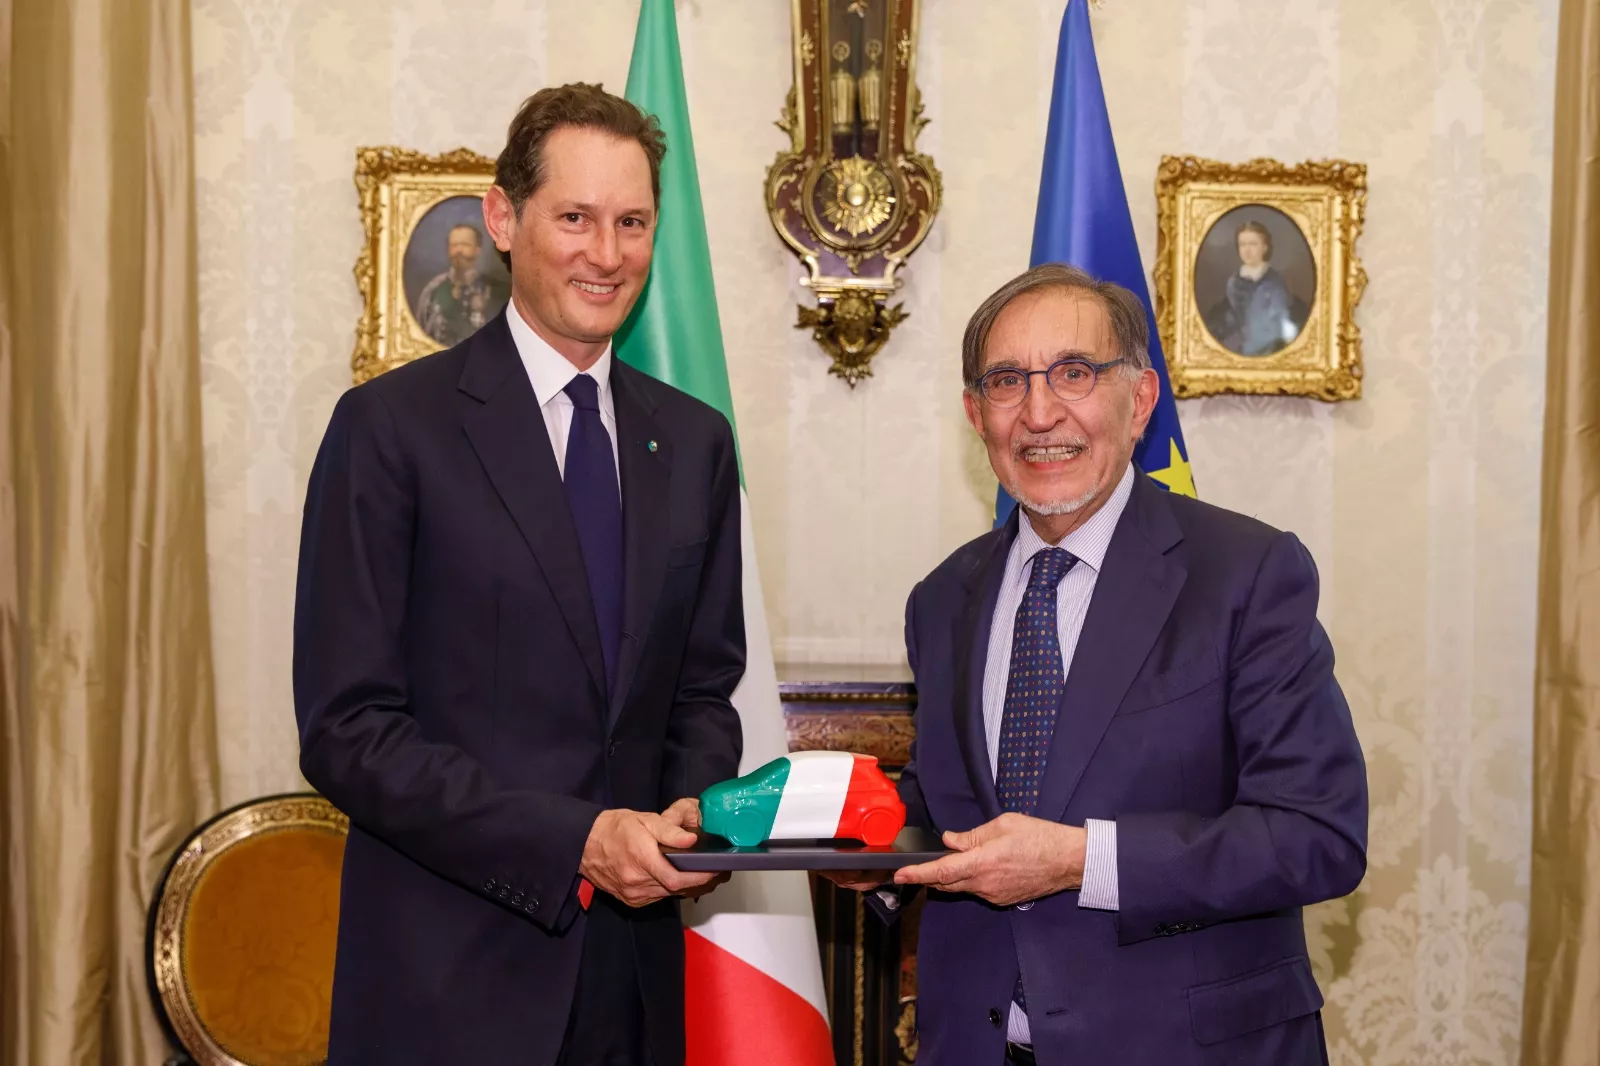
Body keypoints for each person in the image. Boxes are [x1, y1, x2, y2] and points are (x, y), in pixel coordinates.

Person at [293, 83, 745, 1066]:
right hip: (446, 984)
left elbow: (703, 685)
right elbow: (346, 729)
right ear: (502, 218)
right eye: (575, 218)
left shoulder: (696, 442)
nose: (607, 251)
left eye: (631, 222)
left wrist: (690, 817)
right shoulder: (389, 430)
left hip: (633, 985)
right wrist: (575, 839)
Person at [830, 263, 1367, 1065]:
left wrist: (1082, 862)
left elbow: (1316, 835)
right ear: (977, 415)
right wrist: (860, 850)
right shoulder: (942, 598)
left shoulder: (1245, 573)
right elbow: (953, 803)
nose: (1040, 412)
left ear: (1140, 399)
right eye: (1008, 382)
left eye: (1074, 374)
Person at [1203, 219, 1300, 355]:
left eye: (1253, 244)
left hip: (1269, 345)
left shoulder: (1275, 282)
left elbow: (1282, 321)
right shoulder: (1234, 282)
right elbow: (1233, 317)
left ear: (1265, 247)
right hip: (1237, 346)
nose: (1247, 250)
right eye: (1242, 244)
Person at [413, 221, 510, 346]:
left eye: (465, 245)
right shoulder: (433, 290)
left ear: (477, 250)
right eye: (454, 245)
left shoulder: (496, 290)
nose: (459, 250)